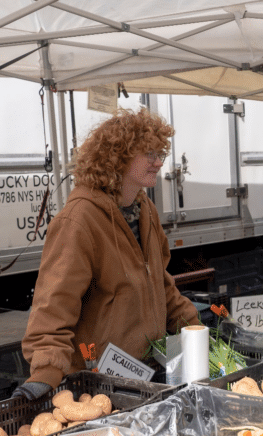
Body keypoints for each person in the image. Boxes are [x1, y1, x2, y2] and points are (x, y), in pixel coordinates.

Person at [14, 108, 200, 400]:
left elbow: (160, 284)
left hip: (146, 375)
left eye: (160, 153)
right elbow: (53, 306)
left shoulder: (145, 211)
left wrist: (194, 327)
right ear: (118, 156)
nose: (158, 162)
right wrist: (46, 373)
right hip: (97, 386)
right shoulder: (79, 220)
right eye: (149, 153)